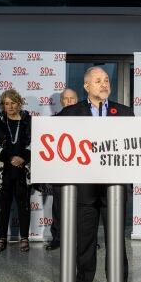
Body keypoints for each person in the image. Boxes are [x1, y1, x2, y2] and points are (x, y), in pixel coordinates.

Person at [58, 66, 132, 282]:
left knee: (116, 242)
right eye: (98, 80)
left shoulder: (124, 113)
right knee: (85, 241)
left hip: (114, 190)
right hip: (84, 191)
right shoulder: (69, 113)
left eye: (107, 80)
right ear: (87, 86)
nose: (104, 84)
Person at [0, 89, 33, 253]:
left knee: (24, 205)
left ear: (19, 103)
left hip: (23, 170)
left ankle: (24, 238)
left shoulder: (28, 119)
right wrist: (10, 158)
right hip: (3, 170)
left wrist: (24, 157)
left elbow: (36, 142)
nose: (10, 106)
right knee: (3, 205)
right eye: (6, 103)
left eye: (13, 103)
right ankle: (1, 238)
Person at [46, 88, 79, 251]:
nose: (68, 101)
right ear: (61, 102)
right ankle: (58, 238)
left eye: (71, 98)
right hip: (60, 171)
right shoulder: (52, 121)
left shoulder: (88, 120)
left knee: (83, 208)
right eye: (65, 99)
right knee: (58, 206)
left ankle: (84, 239)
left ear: (77, 100)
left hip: (82, 172)